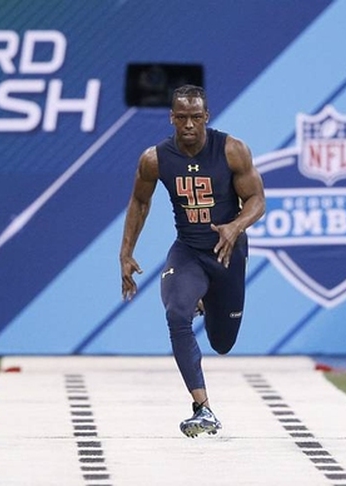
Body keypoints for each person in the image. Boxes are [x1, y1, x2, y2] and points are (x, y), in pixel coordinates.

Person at [119, 85, 265, 438]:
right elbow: (140, 203)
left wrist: (235, 226)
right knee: (175, 313)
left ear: (206, 117)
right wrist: (125, 252)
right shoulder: (154, 159)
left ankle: (207, 299)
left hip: (227, 253)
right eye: (181, 117)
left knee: (222, 343)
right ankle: (203, 408)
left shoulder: (231, 150)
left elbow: (257, 199)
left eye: (195, 117)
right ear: (171, 118)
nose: (188, 125)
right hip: (188, 251)